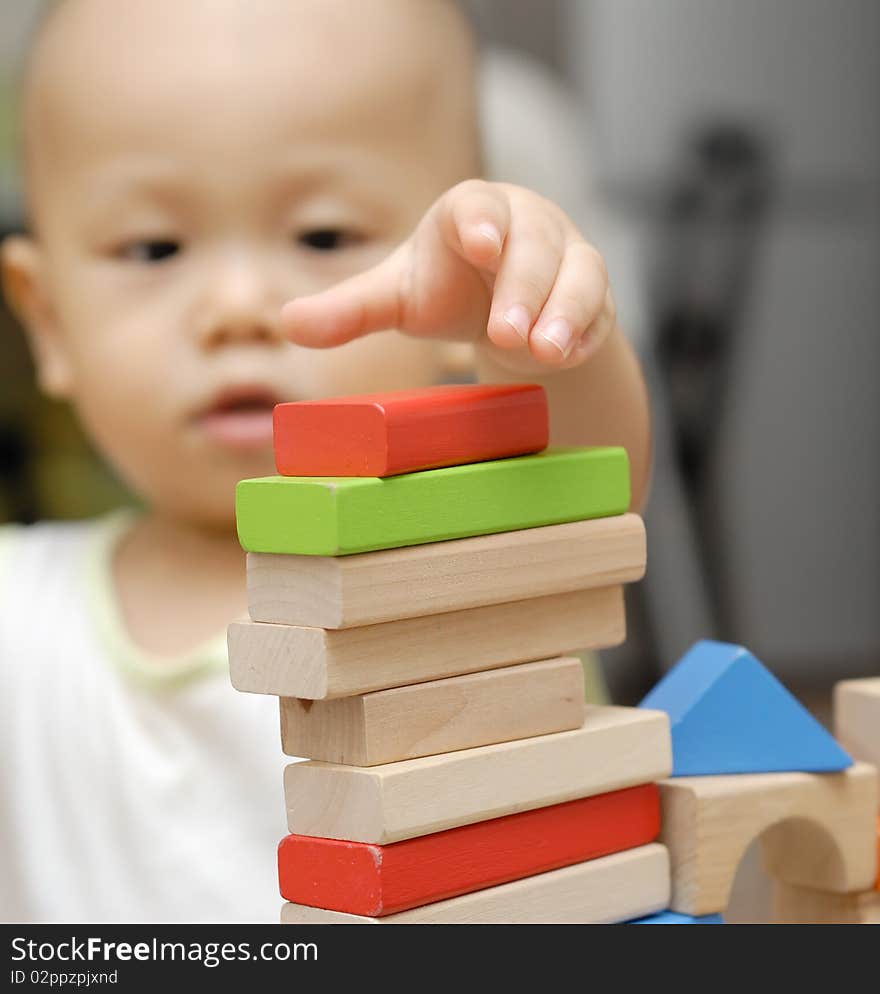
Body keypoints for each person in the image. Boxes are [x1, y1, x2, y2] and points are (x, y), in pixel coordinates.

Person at [0, 0, 650, 923]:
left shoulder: (463, 573)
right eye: (153, 248)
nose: (237, 306)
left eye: (322, 237)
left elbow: (589, 493)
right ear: (49, 320)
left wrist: (537, 332)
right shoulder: (22, 616)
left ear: (459, 288)